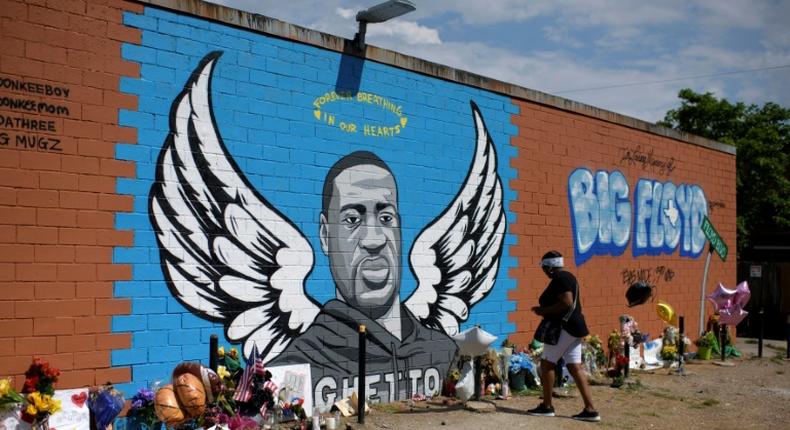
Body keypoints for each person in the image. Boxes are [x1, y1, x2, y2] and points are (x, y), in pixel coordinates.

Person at [271, 151, 458, 409]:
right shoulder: (297, 365)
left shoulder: (443, 352)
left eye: (386, 218)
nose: (374, 240)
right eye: (352, 219)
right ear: (325, 236)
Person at [527, 251, 600, 422]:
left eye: (545, 268)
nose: (544, 271)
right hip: (575, 328)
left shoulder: (560, 279)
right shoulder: (568, 277)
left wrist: (542, 311)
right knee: (575, 367)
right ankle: (591, 410)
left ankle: (547, 406)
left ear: (551, 267)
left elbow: (566, 302)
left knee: (546, 364)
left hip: (563, 327)